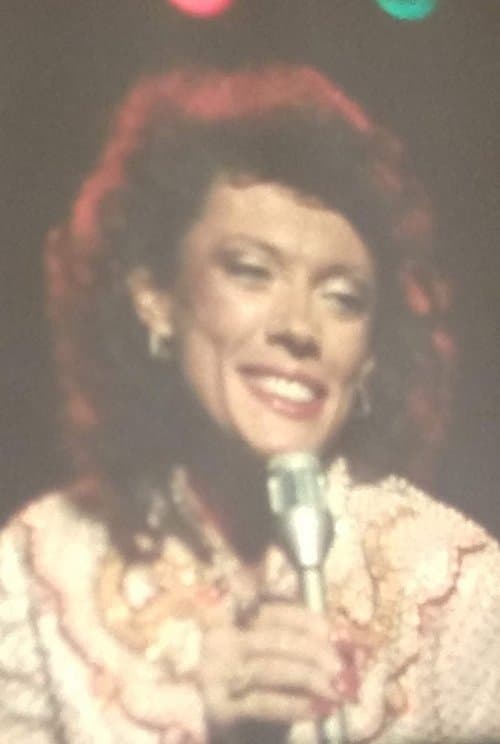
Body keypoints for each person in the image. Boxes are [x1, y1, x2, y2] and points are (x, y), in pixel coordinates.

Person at [1, 65, 499, 744]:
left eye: (343, 298)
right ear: (155, 298)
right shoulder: (41, 567)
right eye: (251, 272)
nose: (299, 328)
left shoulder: (454, 584)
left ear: (371, 352)